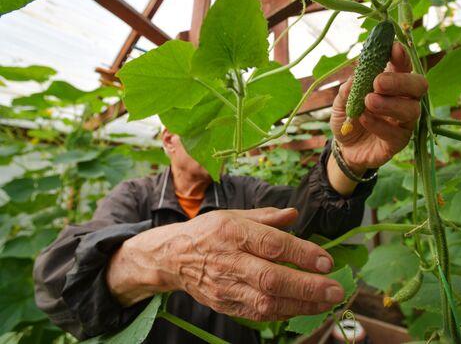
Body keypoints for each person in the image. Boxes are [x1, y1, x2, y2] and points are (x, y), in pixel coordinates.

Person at [33, 43, 427, 343]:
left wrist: (348, 160)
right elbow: (58, 285)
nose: (217, 136)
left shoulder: (242, 190)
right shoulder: (135, 196)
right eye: (201, 130)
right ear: (169, 140)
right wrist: (171, 257)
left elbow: (305, 216)